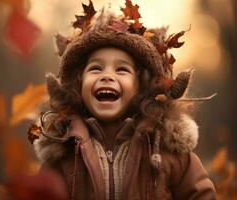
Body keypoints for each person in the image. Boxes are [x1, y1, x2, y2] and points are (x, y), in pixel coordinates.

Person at [29, 1, 216, 199]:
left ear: (141, 85)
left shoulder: (166, 148)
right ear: (79, 83)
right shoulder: (64, 151)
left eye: (121, 69)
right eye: (96, 68)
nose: (107, 76)